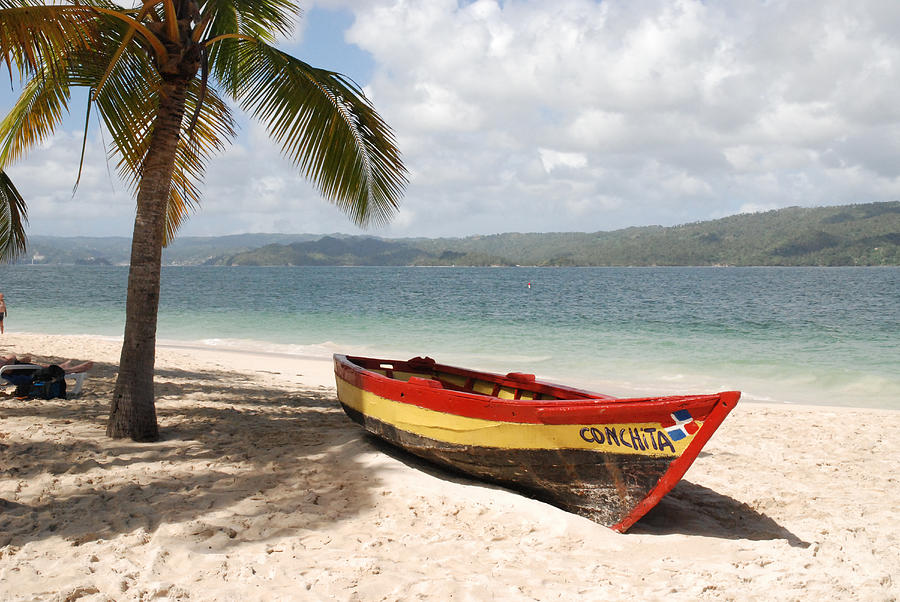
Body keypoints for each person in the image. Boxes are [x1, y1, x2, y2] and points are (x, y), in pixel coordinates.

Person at [0, 354, 93, 373]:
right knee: (39, 370)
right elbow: (7, 369)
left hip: (15, 366)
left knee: (37, 367)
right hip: (13, 369)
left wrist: (13, 358)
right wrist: (12, 358)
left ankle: (60, 367)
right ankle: (71, 370)